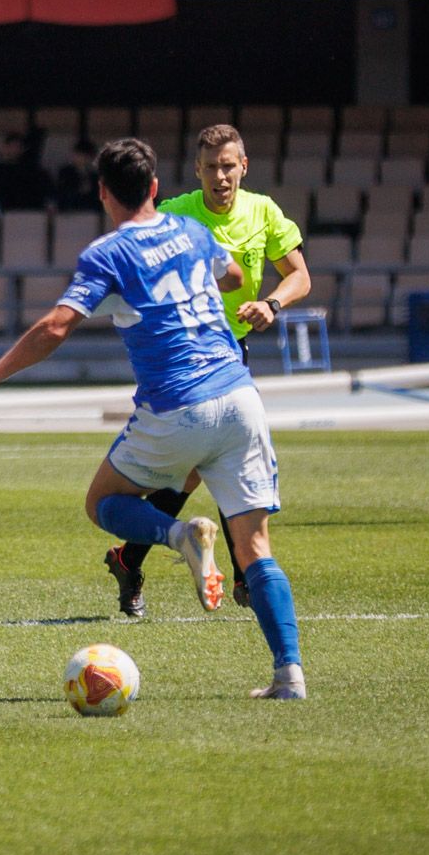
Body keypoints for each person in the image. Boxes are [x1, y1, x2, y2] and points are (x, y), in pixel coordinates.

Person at [0, 138, 306, 701]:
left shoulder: (108, 254)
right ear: (154, 189)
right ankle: (289, 674)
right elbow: (237, 280)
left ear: (102, 193)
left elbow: (55, 327)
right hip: (241, 396)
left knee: (102, 503)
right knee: (256, 547)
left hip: (177, 404)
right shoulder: (192, 233)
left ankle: (177, 535)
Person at [101, 122, 311, 617]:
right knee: (206, 465)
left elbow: (299, 274)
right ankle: (238, 575)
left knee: (203, 467)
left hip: (230, 350)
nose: (221, 176)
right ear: (197, 171)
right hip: (184, 355)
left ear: (244, 167)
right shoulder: (176, 214)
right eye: (211, 167)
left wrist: (272, 304)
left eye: (229, 166)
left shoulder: (264, 212)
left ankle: (132, 559)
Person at [0, 131, 52, 212]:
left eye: (18, 147)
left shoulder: (31, 169)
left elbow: (45, 187)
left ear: (22, 149)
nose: (15, 150)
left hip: (30, 209)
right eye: (12, 146)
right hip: (7, 210)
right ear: (6, 147)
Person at [53, 139, 100, 212]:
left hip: (89, 212)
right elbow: (62, 193)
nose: (81, 158)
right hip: (69, 211)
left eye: (85, 156)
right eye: (78, 155)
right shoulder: (66, 173)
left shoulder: (94, 176)